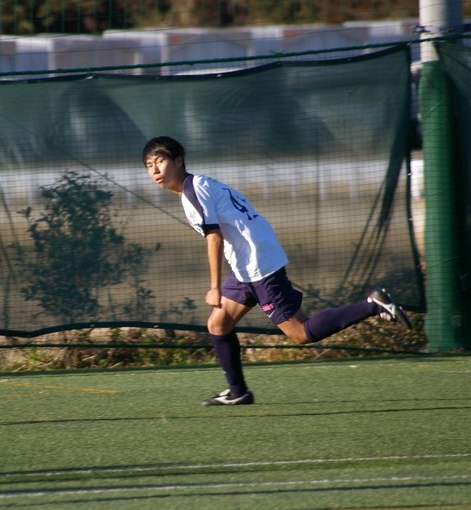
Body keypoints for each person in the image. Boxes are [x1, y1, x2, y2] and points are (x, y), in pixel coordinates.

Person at [142, 136, 412, 406]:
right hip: (246, 263)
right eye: (149, 165)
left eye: (161, 161)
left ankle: (373, 306)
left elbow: (214, 237)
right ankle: (238, 392)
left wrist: (214, 287)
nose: (154, 170)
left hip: (258, 263)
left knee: (300, 333)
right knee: (218, 325)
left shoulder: (193, 190)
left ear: (179, 160)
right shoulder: (198, 185)